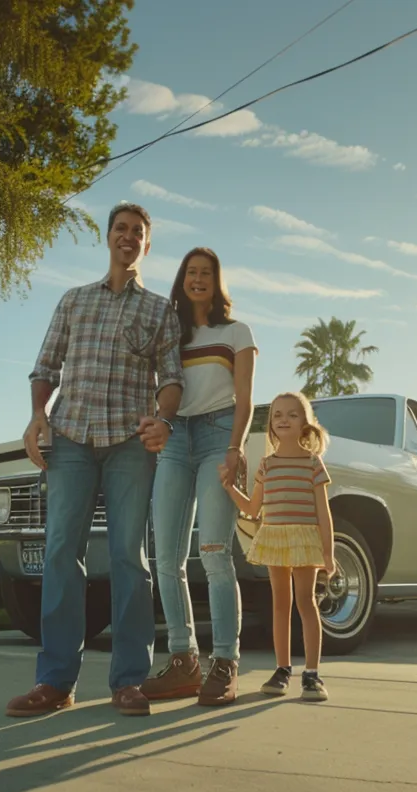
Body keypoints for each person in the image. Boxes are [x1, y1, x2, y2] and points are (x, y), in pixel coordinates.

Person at [5, 201, 184, 718]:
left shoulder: (160, 311)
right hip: (72, 440)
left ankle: (129, 681)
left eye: (138, 232)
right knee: (62, 552)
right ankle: (55, 682)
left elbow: (171, 379)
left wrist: (164, 420)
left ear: (147, 245)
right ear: (108, 238)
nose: (128, 237)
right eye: (121, 229)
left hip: (131, 442)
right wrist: (38, 416)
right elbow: (46, 366)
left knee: (130, 556)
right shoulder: (73, 301)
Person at [139, 247, 256, 707]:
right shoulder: (170, 334)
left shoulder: (237, 332)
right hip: (174, 439)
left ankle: (225, 662)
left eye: (207, 273)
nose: (198, 279)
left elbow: (245, 400)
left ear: (217, 280)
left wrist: (235, 447)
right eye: (191, 272)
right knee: (165, 558)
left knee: (213, 552)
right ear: (182, 280)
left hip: (218, 436)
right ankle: (184, 660)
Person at [220, 391, 337, 702]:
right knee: (280, 605)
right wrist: (230, 488)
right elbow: (253, 507)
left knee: (306, 603)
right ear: (271, 425)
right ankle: (282, 669)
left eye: (292, 415)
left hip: (304, 539)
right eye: (277, 415)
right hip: (275, 537)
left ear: (306, 424)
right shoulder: (267, 464)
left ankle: (312, 675)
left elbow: (323, 512)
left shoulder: (313, 463)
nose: (284, 419)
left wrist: (329, 552)